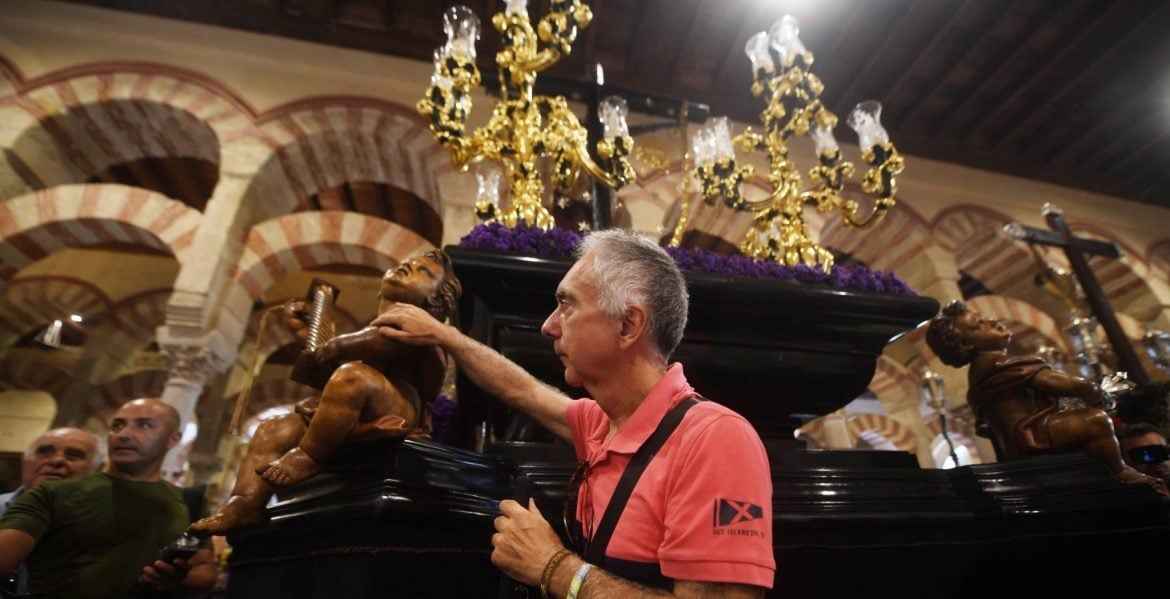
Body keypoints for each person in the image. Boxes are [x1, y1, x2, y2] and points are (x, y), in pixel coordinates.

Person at [373, 229, 775, 598]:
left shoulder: (715, 439)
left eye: (567, 305)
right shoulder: (603, 423)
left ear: (628, 325)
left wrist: (554, 567)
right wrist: (443, 335)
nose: (548, 327)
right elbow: (522, 390)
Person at [189, 248, 461, 536]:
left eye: (422, 271)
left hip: (402, 408)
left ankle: (310, 456)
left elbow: (375, 348)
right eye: (405, 262)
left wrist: (333, 345)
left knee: (354, 377)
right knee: (274, 430)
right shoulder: (370, 335)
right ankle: (244, 504)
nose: (406, 266)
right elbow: (337, 384)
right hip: (360, 402)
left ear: (435, 302)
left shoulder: (422, 331)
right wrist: (311, 338)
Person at [925, 300, 1166, 494]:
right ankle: (1120, 470)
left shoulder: (981, 374)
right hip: (1031, 434)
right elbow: (1056, 382)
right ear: (966, 344)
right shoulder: (1004, 365)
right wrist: (1091, 389)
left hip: (1016, 444)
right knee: (1095, 420)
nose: (991, 320)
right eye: (980, 324)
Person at [0, 399, 217, 598]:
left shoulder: (190, 504)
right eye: (117, 425)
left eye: (144, 425)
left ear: (173, 439)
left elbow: (204, 572)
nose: (124, 434)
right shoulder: (54, 493)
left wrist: (177, 578)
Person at [0, 427, 104, 596]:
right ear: (24, 460)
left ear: (97, 471)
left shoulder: (107, 526)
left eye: (74, 455)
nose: (57, 460)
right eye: (45, 452)